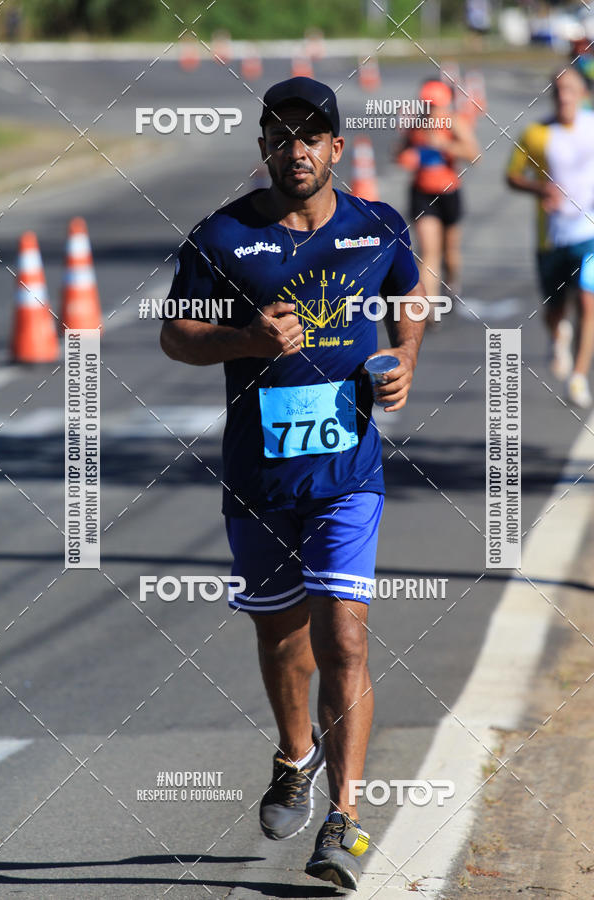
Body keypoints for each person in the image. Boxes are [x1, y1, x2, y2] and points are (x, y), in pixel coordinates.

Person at [161, 76, 426, 890]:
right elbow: (176, 336)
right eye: (281, 135)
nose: (296, 149)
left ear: (337, 148)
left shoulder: (374, 228)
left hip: (348, 471)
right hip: (259, 477)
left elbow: (410, 296)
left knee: (343, 633)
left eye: (312, 136)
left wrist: (405, 360)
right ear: (264, 147)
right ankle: (295, 753)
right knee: (282, 640)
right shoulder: (224, 235)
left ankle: (344, 820)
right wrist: (244, 338)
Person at [506, 67, 594, 408]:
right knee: (554, 311)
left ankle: (579, 376)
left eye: (570, 90)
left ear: (583, 94)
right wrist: (538, 187)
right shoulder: (537, 134)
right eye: (558, 91)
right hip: (552, 238)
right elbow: (512, 176)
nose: (564, 97)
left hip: (589, 234)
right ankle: (559, 333)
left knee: (588, 303)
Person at [395, 79, 479, 324]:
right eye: (427, 104)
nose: (430, 110)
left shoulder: (454, 123)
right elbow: (400, 152)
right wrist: (404, 156)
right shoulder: (415, 125)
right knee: (429, 251)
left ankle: (453, 285)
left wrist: (445, 145)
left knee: (450, 253)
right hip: (422, 193)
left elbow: (475, 155)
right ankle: (429, 307)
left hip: (449, 192)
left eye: (435, 105)